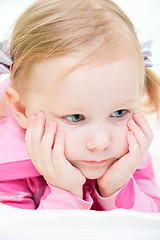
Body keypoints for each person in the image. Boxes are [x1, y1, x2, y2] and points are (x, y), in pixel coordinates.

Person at [0, 0, 160, 211]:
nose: (101, 142)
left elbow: (151, 223)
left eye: (119, 112)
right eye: (76, 117)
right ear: (22, 109)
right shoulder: (7, 169)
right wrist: (65, 191)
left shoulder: (128, 150)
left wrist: (118, 188)